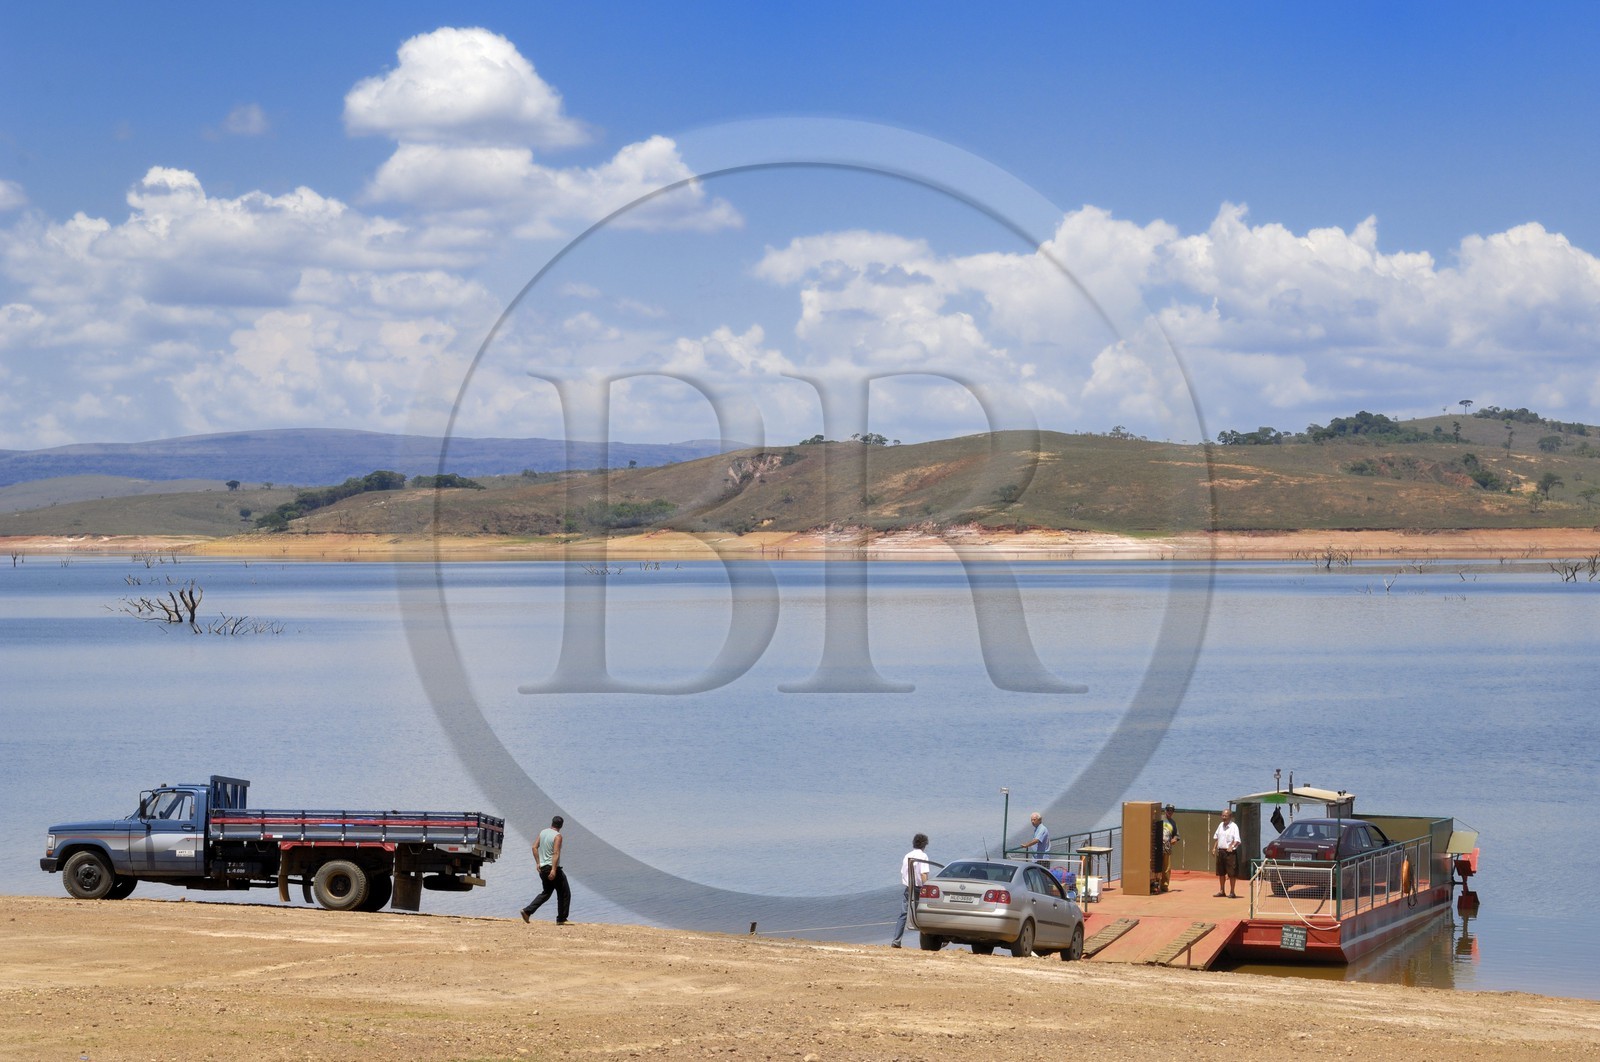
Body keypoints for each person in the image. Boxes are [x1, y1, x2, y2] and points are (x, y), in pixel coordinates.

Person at [519, 815, 571, 925]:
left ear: (552, 823)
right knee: (564, 892)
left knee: (546, 893)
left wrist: (538, 863)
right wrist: (553, 870)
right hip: (551, 868)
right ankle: (561, 919)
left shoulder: (543, 832)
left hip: (542, 868)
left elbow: (534, 847)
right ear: (561, 825)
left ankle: (527, 911)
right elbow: (556, 853)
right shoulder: (558, 836)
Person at [890, 833, 931, 948]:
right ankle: (929, 941)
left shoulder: (907, 855)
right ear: (925, 844)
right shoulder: (923, 856)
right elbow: (923, 874)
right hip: (918, 888)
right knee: (924, 914)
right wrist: (926, 887)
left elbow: (903, 872)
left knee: (903, 914)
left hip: (908, 888)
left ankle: (896, 940)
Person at [1211, 807, 1242, 898]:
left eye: (1226, 816)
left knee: (1232, 873)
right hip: (1221, 851)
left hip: (1230, 853)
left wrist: (1231, 846)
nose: (1223, 817)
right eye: (1222, 815)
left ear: (1230, 816)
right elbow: (1217, 838)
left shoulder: (1234, 826)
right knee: (1221, 873)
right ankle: (1222, 890)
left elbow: (1237, 840)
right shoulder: (1220, 825)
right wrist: (1214, 848)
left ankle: (1232, 892)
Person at [1160, 804, 1181, 892]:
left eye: (1171, 810)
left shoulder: (1173, 823)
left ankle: (1164, 886)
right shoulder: (1160, 818)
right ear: (1165, 810)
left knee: (1166, 868)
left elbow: (1177, 835)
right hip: (1157, 847)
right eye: (1168, 810)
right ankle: (1154, 884)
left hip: (1167, 848)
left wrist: (1174, 839)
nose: (1169, 812)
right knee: (1155, 866)